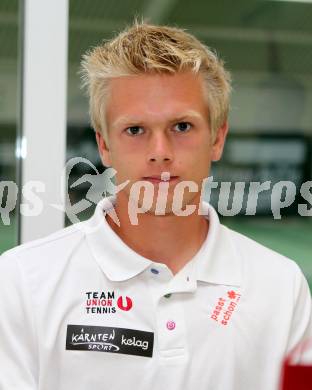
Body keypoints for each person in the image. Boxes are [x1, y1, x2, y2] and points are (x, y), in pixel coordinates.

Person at [0, 21, 311, 390]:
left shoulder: (282, 285)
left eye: (181, 127)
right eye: (135, 130)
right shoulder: (20, 281)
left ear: (217, 138)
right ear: (104, 146)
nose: (160, 152)